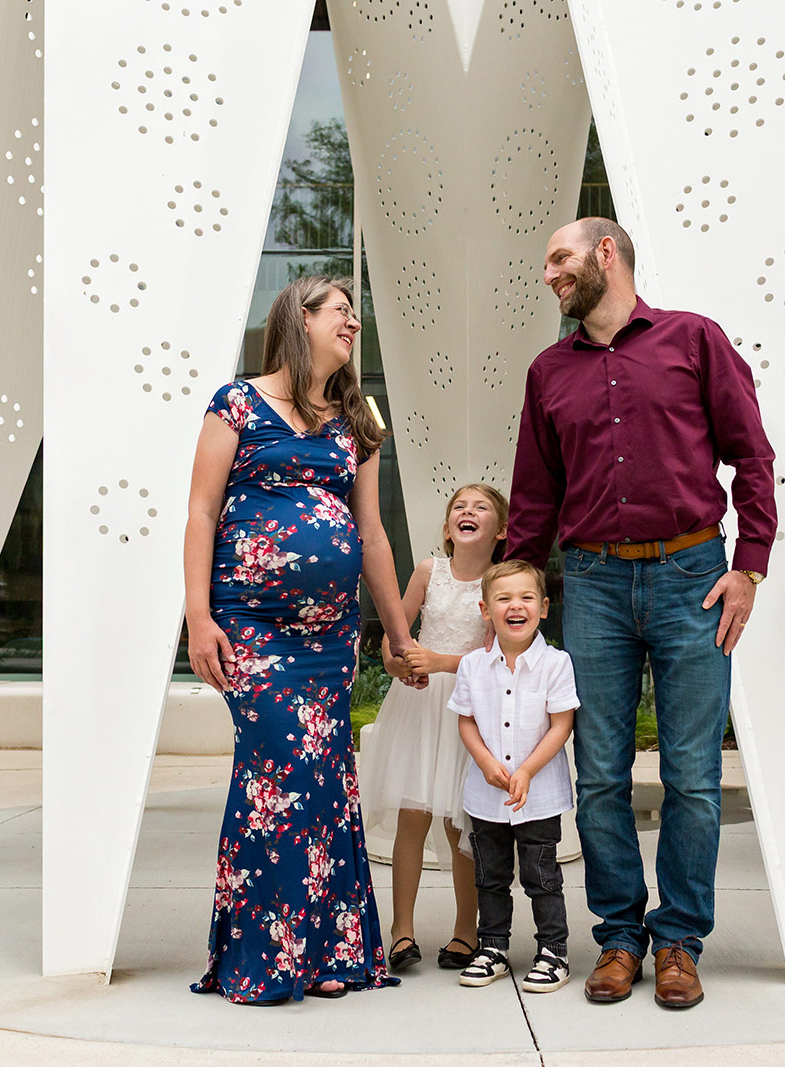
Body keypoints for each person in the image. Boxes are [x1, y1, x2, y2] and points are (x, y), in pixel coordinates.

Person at [505, 218, 776, 1010]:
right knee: (598, 775)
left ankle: (680, 940)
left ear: (605, 252)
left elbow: (752, 455)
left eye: (559, 258)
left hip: (694, 577)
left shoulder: (694, 340)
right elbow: (534, 496)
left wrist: (749, 566)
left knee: (693, 774)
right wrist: (513, 599)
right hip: (592, 582)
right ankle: (620, 937)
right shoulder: (548, 372)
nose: (549, 275)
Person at [183, 275, 416, 1004]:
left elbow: (372, 533)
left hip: (329, 639)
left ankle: (330, 952)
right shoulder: (236, 403)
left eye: (353, 315)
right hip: (250, 627)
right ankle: (269, 956)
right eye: (340, 312)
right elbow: (201, 511)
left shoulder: (356, 421)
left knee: (324, 779)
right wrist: (198, 618)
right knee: (279, 776)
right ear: (300, 319)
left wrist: (398, 634)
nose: (353, 323)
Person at [360, 483, 510, 973]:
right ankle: (401, 930)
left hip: (468, 710)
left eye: (481, 507)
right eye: (459, 507)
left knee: (458, 822)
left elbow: (499, 656)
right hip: (419, 707)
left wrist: (439, 662)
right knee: (413, 816)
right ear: (448, 527)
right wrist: (400, 665)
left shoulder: (499, 581)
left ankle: (466, 929)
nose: (468, 512)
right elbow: (395, 636)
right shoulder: (429, 571)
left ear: (501, 530)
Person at [449, 560, 579, 995]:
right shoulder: (472, 665)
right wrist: (485, 762)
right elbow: (466, 720)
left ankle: (553, 952)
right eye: (504, 598)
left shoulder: (556, 663)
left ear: (544, 607)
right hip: (486, 797)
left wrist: (526, 770)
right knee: (490, 877)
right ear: (486, 610)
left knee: (542, 877)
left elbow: (561, 724)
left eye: (526, 597)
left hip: (539, 795)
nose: (515, 606)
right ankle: (492, 948)